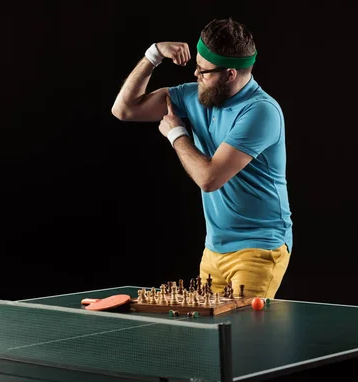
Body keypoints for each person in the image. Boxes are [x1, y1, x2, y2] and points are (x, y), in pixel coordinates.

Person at [111, 18, 293, 299]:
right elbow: (124, 110)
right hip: (214, 249)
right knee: (214, 338)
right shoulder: (194, 95)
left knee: (248, 339)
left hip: (259, 249)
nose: (196, 73)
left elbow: (209, 179)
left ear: (230, 74)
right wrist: (153, 55)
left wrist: (176, 135)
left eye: (204, 71)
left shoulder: (260, 112)